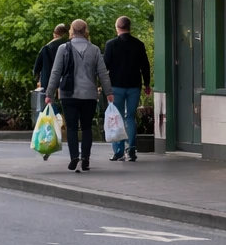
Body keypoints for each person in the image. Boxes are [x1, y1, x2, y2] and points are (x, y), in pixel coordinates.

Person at [46, 19, 113, 172]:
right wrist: (109, 92)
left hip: (68, 94)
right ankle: (86, 158)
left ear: (71, 30)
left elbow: (55, 72)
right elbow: (103, 74)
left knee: (71, 128)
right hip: (89, 94)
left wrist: (49, 93)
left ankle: (74, 156)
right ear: (86, 30)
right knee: (87, 127)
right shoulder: (94, 50)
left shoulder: (63, 48)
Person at [103, 15, 151, 162]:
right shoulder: (139, 44)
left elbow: (105, 66)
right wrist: (147, 84)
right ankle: (131, 150)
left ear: (117, 27)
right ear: (129, 27)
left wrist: (104, 86)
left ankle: (118, 151)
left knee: (116, 118)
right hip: (134, 86)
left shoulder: (111, 44)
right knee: (129, 117)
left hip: (116, 86)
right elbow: (145, 66)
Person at [33, 24, 68, 92]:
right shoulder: (71, 46)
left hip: (48, 82)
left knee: (49, 101)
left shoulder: (47, 47)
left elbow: (37, 67)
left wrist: (37, 78)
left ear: (55, 34)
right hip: (66, 82)